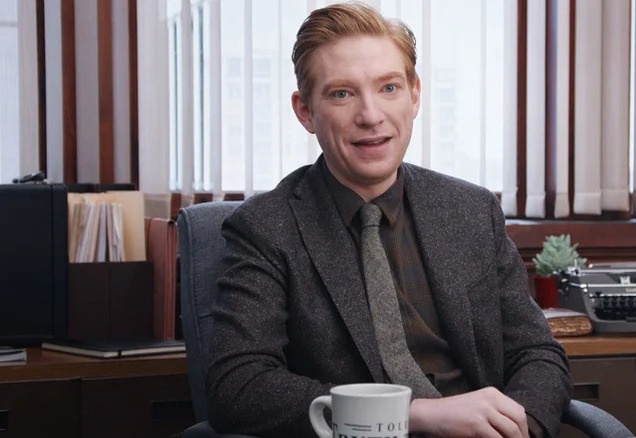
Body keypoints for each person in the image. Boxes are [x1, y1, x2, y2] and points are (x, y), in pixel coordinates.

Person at [207, 3, 572, 437]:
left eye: (389, 88)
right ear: (305, 111)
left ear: (414, 95)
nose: (371, 115)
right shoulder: (266, 228)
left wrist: (518, 428)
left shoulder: (472, 211)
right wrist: (414, 415)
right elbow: (238, 387)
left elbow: (537, 353)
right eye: (342, 93)